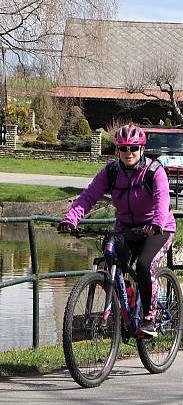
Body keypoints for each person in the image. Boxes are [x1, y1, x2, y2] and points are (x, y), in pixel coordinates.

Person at [57, 124, 176, 338]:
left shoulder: (154, 172)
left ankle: (150, 319)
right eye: (123, 149)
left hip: (158, 229)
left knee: (144, 264)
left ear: (142, 149)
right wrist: (70, 219)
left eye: (134, 148)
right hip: (125, 229)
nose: (129, 153)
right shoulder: (111, 172)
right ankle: (129, 308)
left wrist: (157, 223)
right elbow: (88, 197)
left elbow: (161, 199)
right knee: (112, 259)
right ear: (117, 150)